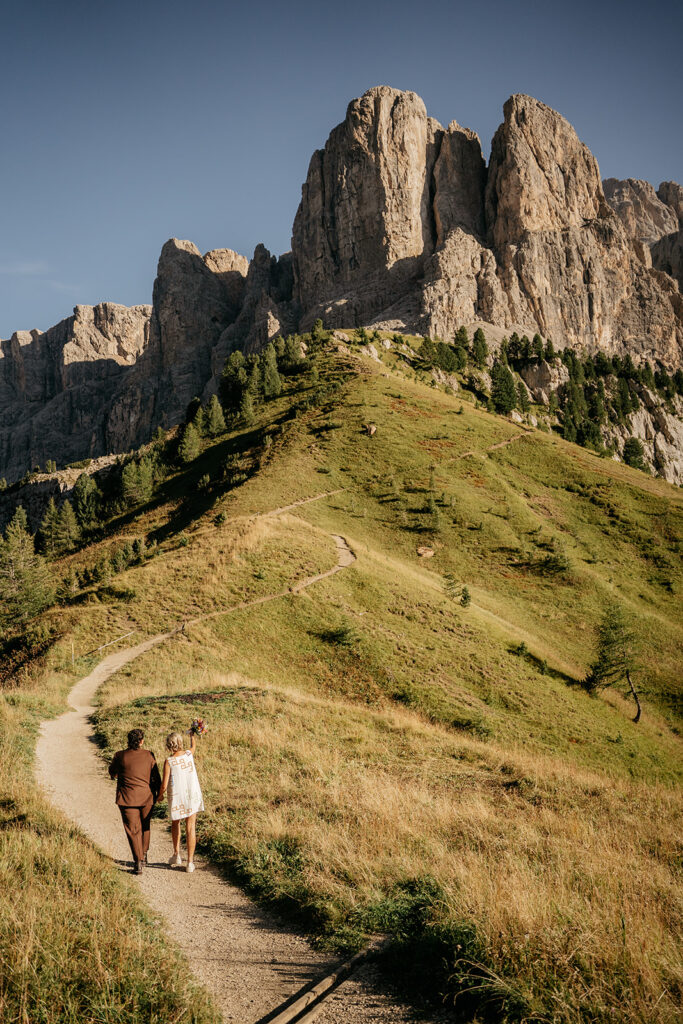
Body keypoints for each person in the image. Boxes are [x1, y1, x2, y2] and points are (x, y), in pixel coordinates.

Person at [108, 728, 161, 874]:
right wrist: (158, 793)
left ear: (128, 741)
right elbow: (156, 777)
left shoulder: (120, 756)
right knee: (145, 826)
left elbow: (112, 771)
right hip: (147, 797)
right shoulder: (149, 755)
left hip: (127, 798)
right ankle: (143, 855)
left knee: (133, 830)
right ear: (141, 741)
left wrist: (116, 775)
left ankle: (137, 862)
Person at [157, 730, 204, 872]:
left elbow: (164, 785)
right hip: (192, 795)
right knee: (191, 827)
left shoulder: (169, 761)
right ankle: (190, 862)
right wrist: (192, 736)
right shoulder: (189, 755)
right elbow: (193, 747)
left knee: (175, 823)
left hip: (177, 797)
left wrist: (160, 795)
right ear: (180, 743)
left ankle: (176, 854)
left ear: (169, 745)